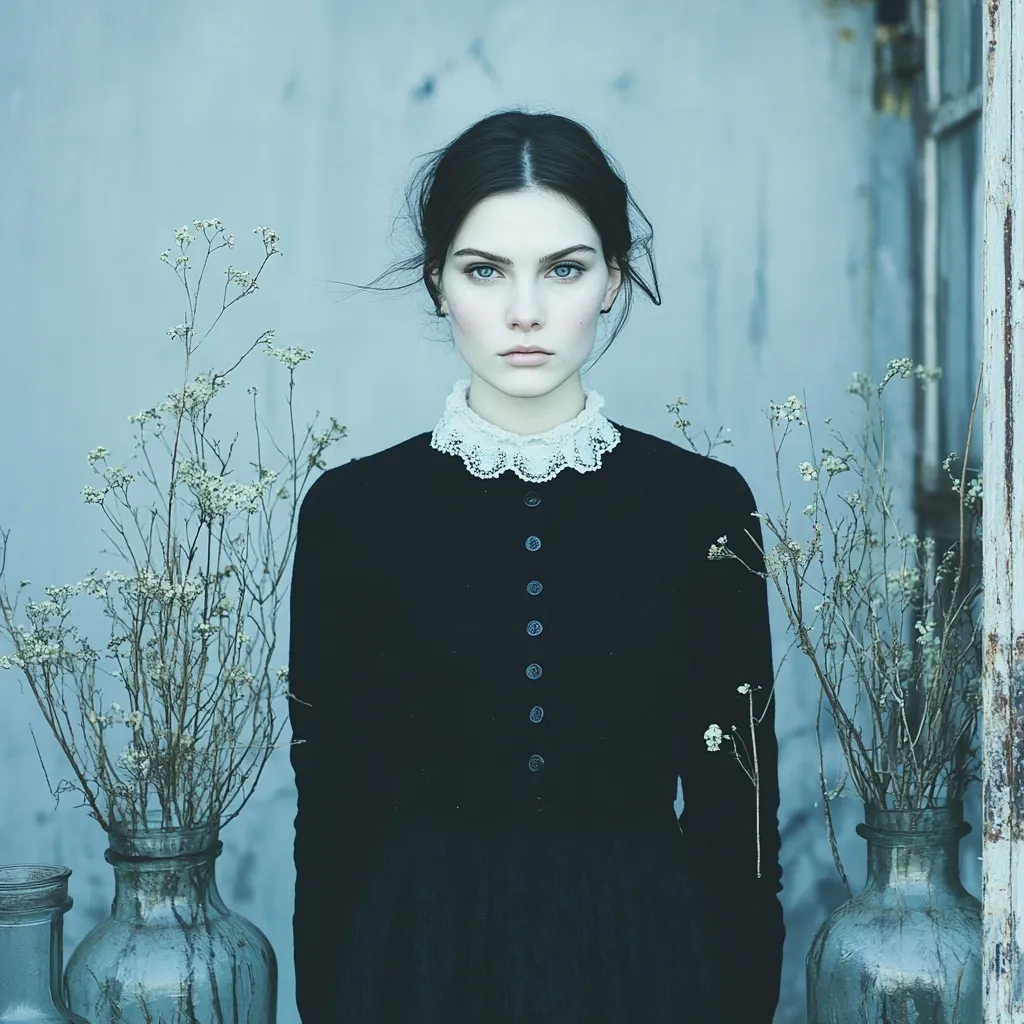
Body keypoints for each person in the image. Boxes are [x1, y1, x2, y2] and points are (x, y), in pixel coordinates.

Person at [288, 107, 785, 1023]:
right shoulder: (351, 514)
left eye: (564, 268)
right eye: (485, 270)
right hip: (414, 970)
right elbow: (333, 816)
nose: (525, 311)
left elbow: (737, 813)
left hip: (650, 963)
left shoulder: (704, 507)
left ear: (613, 279)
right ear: (437, 282)